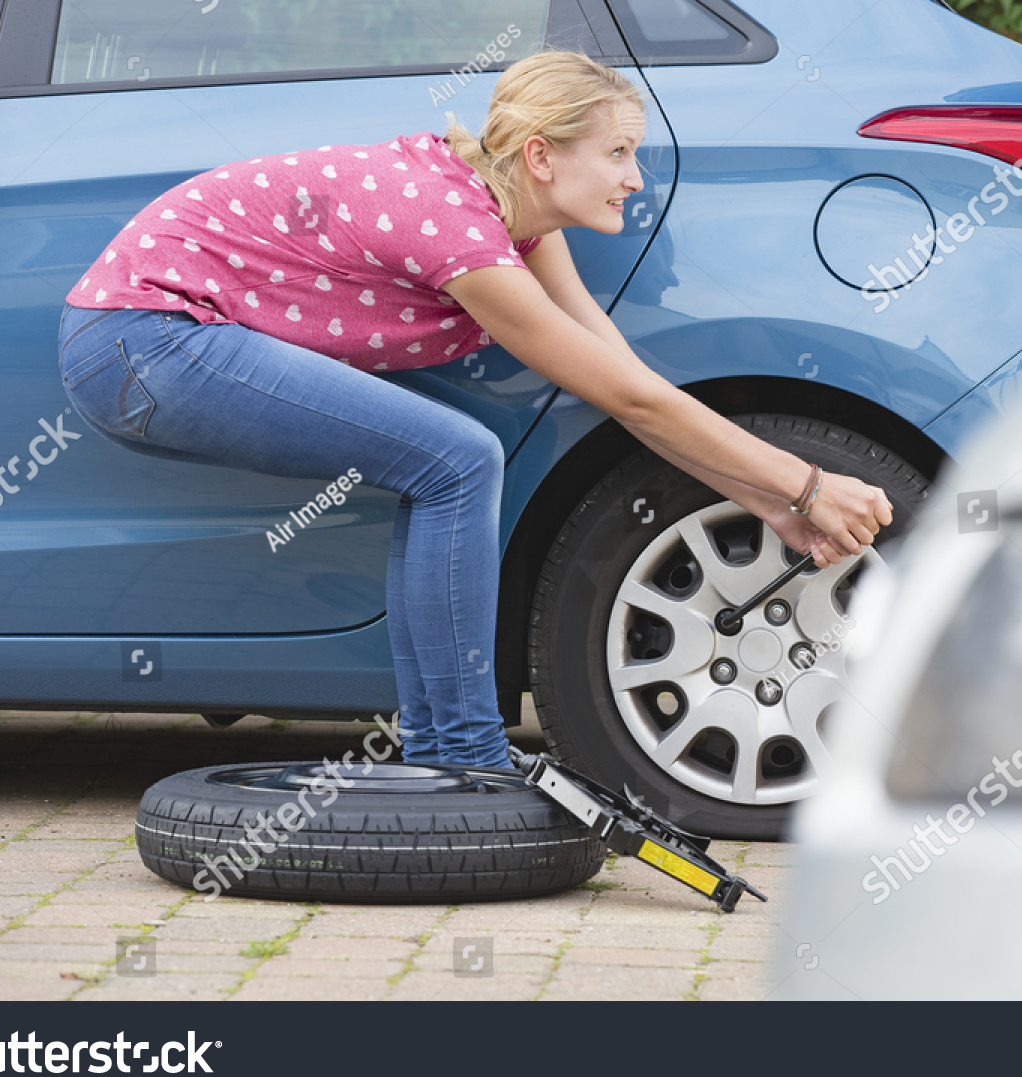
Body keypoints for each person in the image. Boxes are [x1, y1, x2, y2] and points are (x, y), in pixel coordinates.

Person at [56, 49, 893, 772]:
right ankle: (460, 751)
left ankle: (445, 748)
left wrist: (774, 503)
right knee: (458, 458)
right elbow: (627, 395)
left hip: (164, 337)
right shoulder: (453, 226)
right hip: (141, 339)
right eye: (619, 153)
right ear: (541, 156)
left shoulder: (524, 225)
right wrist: (811, 484)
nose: (636, 177)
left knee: (451, 460)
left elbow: (632, 391)